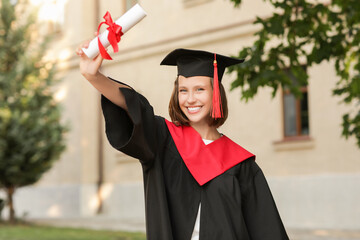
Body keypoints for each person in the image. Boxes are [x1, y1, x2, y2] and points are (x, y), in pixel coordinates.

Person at [76, 43, 289, 240]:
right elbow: (135, 106)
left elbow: (265, 227)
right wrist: (93, 76)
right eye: (183, 90)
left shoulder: (241, 164)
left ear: (216, 94)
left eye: (200, 89)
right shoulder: (163, 140)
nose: (190, 99)